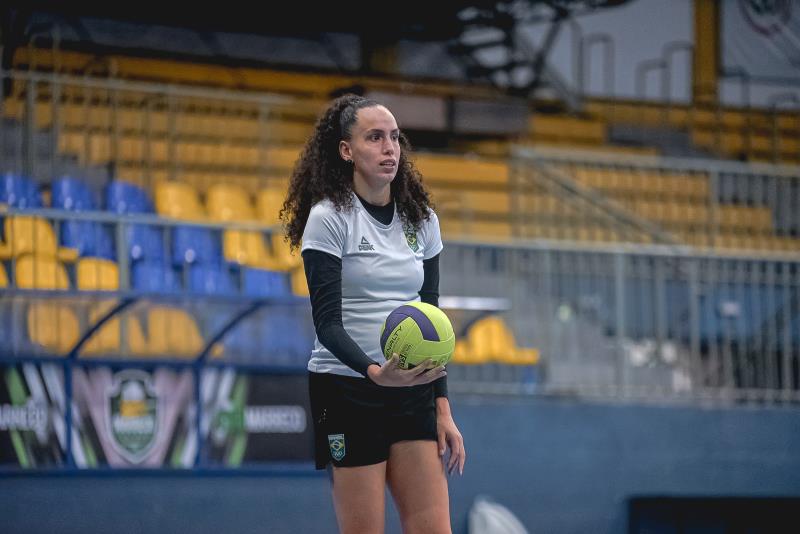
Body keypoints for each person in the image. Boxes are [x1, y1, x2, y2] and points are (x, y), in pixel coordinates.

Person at [281, 93, 466, 534]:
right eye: (375, 137)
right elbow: (326, 323)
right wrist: (372, 372)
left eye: (395, 138)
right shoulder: (329, 218)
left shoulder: (422, 219)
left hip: (412, 389)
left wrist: (442, 408)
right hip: (348, 390)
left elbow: (431, 318)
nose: (390, 148)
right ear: (346, 151)